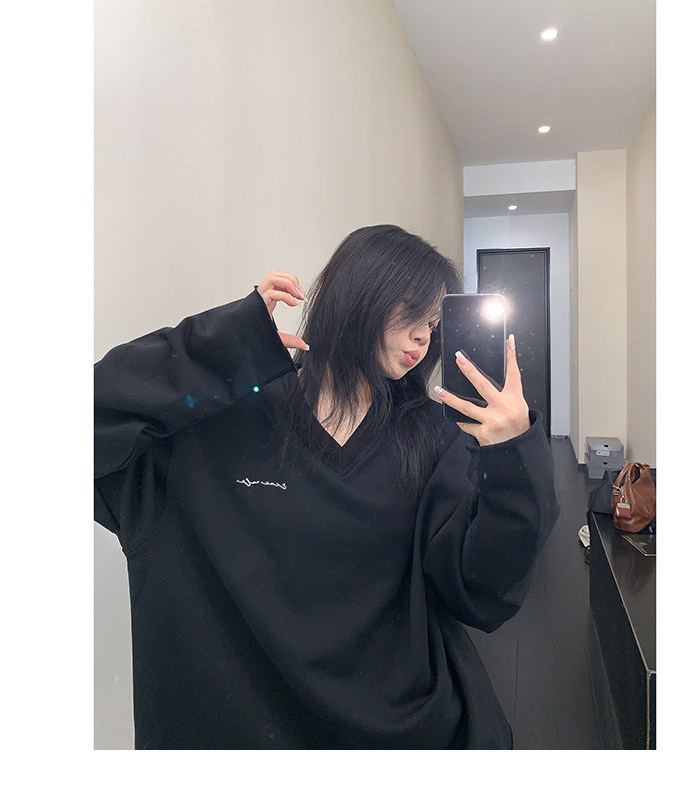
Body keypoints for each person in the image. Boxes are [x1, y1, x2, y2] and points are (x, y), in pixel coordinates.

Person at [94, 223, 559, 749]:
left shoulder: (433, 436)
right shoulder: (218, 421)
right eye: (412, 311)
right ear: (358, 290)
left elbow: (481, 594)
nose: (424, 337)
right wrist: (223, 347)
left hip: (404, 731)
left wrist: (513, 459)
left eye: (434, 323)